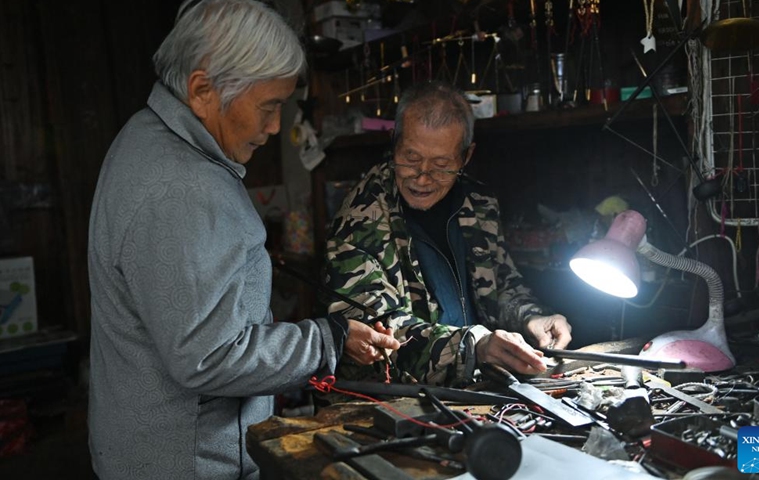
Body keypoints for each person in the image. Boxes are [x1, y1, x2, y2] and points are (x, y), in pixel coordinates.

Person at [86, 1, 399, 479]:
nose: (275, 127)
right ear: (202, 90)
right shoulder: (185, 185)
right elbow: (208, 356)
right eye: (268, 107)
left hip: (142, 447)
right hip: (187, 464)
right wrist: (327, 339)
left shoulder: (144, 134)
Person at [324, 81, 572, 387]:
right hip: (392, 398)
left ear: (466, 156)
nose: (423, 177)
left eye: (441, 164)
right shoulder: (361, 217)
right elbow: (376, 332)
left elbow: (502, 283)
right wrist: (475, 346)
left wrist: (532, 317)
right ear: (394, 142)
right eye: (411, 159)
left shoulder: (478, 204)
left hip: (470, 388)